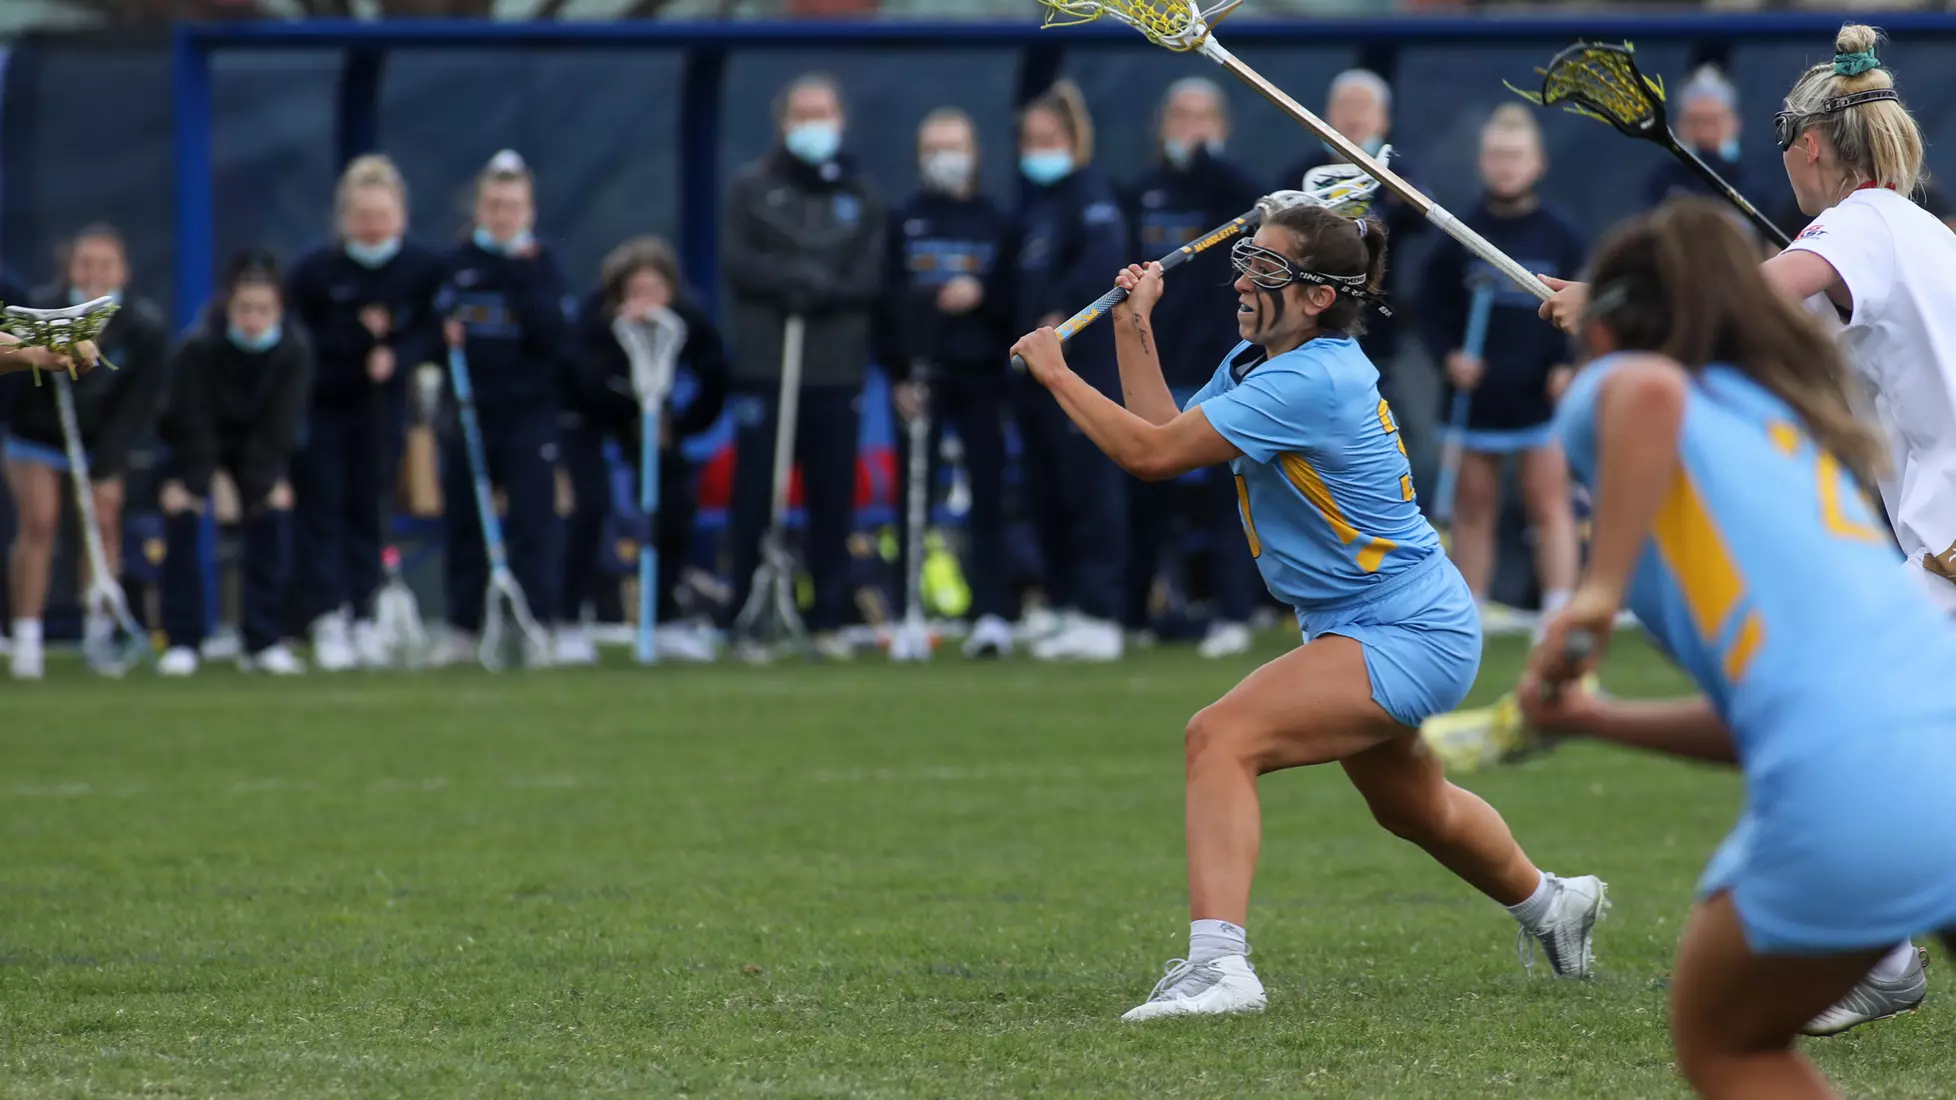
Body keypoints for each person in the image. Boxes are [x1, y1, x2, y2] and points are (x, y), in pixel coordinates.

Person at [1009, 202, 1606, 1020]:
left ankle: (1221, 969)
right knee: (1412, 806)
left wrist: (1057, 373)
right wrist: (1131, 328)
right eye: (1248, 262)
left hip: (1407, 630)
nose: (1247, 281)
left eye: (1270, 270)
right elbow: (1170, 431)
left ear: (1321, 297)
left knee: (1220, 737)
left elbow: (1150, 457)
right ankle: (1552, 904)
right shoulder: (1264, 362)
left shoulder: (1310, 377)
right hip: (1376, 622)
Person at [1537, 24, 1947, 1034]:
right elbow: (1785, 343)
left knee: (1845, 730)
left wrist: (1624, 304)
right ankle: (1885, 947)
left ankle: (1883, 953)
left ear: (1811, 149)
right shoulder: (1915, 231)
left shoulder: (1852, 228)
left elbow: (1761, 297)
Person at [721, 73, 884, 660]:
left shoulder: (861, 196)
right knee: (757, 497)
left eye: (823, 112)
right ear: (783, 122)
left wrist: (822, 287)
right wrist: (789, 281)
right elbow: (739, 261)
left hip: (835, 371)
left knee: (832, 498)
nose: (813, 123)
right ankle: (746, 614)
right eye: (802, 113)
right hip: (769, 366)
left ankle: (828, 618)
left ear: (839, 120)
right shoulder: (752, 188)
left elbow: (868, 275)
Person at [1421, 105, 1583, 635]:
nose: (1505, 166)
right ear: (1482, 162)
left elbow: (1588, 307)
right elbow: (1429, 308)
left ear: (1537, 163)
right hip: (1479, 395)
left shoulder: (1561, 233)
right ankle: (1471, 607)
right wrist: (1449, 356)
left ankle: (1559, 608)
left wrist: (1567, 365)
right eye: (1496, 155)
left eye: (1516, 156)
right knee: (1474, 505)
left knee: (1548, 502)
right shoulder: (1460, 230)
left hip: (1541, 392)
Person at [1123, 77, 1265, 659]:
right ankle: (1132, 614)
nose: (1191, 129)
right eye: (1180, 117)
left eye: (1203, 118)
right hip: (1161, 363)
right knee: (1145, 489)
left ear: (1223, 127)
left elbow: (1260, 212)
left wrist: (1208, 161)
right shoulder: (1143, 193)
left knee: (1226, 494)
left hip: (1221, 368)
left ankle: (1234, 612)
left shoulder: (1236, 193)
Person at [287, 154, 446, 671]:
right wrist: (355, 341)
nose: (373, 227)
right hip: (326, 410)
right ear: (344, 218)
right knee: (323, 511)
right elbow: (297, 339)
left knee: (370, 511)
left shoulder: (422, 269)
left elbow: (430, 333)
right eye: (363, 216)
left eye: (382, 215)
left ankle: (364, 612)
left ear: (400, 216)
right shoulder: (315, 272)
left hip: (383, 413)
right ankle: (328, 616)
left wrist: (397, 355)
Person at [880, 106, 1015, 658]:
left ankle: (993, 615)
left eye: (954, 146)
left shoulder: (996, 221)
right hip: (920, 378)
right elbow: (883, 301)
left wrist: (981, 296)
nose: (945, 158)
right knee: (912, 503)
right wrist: (894, 374)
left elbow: (1015, 300)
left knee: (989, 497)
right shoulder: (903, 218)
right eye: (934, 148)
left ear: (975, 153)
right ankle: (904, 615)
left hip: (982, 376)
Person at [4, 225, 167, 679]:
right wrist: (44, 355)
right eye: (86, 264)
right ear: (69, 268)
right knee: (40, 521)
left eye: (106, 265)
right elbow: (14, 383)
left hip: (101, 439)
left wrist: (108, 462)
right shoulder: (37, 307)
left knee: (105, 517)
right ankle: (27, 637)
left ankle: (97, 634)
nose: (95, 274)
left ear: (125, 272)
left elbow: (139, 403)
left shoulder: (143, 326)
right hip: (35, 434)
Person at [562, 237, 729, 663]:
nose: (646, 303)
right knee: (590, 505)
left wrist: (681, 425)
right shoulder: (594, 321)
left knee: (674, 502)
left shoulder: (686, 319)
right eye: (636, 293)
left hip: (656, 419)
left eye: (655, 292)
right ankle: (566, 619)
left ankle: (667, 616)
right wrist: (630, 411)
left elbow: (717, 375)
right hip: (593, 417)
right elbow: (580, 381)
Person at [435, 149, 571, 666]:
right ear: (479, 208)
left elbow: (554, 337)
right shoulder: (457, 264)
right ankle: (463, 627)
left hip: (529, 412)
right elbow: (432, 330)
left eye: (513, 205)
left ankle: (538, 624)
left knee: (534, 522)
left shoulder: (543, 265)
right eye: (494, 205)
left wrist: (524, 276)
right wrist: (441, 335)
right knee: (466, 524)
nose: (503, 215)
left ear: (529, 211)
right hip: (470, 412)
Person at [1011, 80, 1130, 662]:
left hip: (1082, 370)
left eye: (1048, 138)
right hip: (1036, 376)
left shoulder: (1090, 194)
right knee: (1047, 493)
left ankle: (1100, 612)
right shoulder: (1035, 206)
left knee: (1090, 491)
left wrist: (1061, 317)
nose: (1038, 148)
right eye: (1030, 139)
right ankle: (1061, 604)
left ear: (1073, 139)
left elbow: (1104, 267)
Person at [156, 252, 312, 676]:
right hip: (196, 448)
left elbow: (280, 427)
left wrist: (258, 484)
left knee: (273, 508)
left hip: (258, 453)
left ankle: (262, 640)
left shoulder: (294, 351)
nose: (253, 319)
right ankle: (183, 640)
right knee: (183, 507)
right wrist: (208, 480)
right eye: (245, 308)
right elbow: (189, 420)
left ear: (279, 310)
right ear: (229, 306)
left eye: (264, 310)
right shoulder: (197, 348)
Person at [1275, 70, 1424, 405]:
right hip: (1307, 330)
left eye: (1363, 107)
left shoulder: (1399, 178)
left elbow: (1423, 219)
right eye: (1344, 106)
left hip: (1375, 331)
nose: (1353, 116)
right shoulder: (1302, 175)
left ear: (1384, 119)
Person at [1641, 65, 1755, 214]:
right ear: (1680, 124)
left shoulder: (1752, 183)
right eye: (1695, 122)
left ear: (1734, 124)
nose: (1705, 134)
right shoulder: (1662, 182)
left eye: (1713, 122)